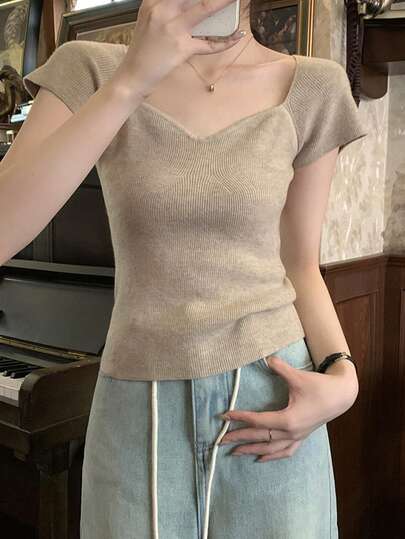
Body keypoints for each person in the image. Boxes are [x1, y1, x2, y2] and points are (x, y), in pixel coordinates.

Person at [1, 0, 367, 537]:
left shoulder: (315, 85)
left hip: (272, 399)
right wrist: (132, 80)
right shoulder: (91, 68)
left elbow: (300, 264)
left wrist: (343, 376)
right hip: (135, 403)